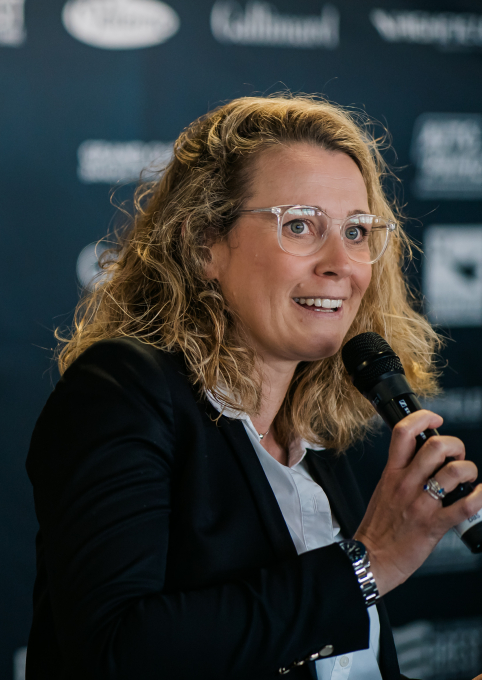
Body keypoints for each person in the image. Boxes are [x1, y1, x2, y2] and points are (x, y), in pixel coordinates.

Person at [25, 95, 482, 679]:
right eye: (300, 225)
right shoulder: (121, 391)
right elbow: (115, 652)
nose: (341, 263)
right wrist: (370, 564)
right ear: (204, 245)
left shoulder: (313, 440)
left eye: (356, 231)